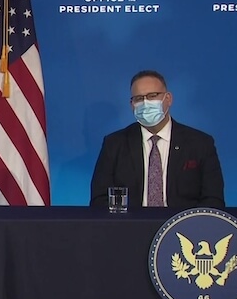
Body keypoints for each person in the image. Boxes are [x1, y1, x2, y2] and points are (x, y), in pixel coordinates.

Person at [90, 70, 224, 209]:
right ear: (132, 105)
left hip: (183, 228)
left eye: (152, 96)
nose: (146, 103)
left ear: (168, 99)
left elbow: (213, 200)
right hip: (129, 227)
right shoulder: (114, 144)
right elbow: (99, 199)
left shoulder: (200, 143)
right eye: (139, 98)